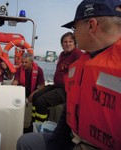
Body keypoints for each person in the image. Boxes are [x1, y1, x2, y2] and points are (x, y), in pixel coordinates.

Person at [17, 0, 121, 149]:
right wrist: (55, 144)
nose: (74, 34)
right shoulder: (85, 61)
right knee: (25, 142)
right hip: (71, 138)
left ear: (91, 25)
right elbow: (70, 110)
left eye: (74, 27)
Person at [24, 32, 83, 133]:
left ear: (75, 43)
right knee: (36, 96)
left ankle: (39, 129)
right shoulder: (62, 55)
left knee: (41, 102)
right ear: (61, 44)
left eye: (70, 41)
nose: (68, 44)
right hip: (57, 86)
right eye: (65, 42)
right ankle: (33, 123)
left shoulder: (78, 54)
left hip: (66, 89)